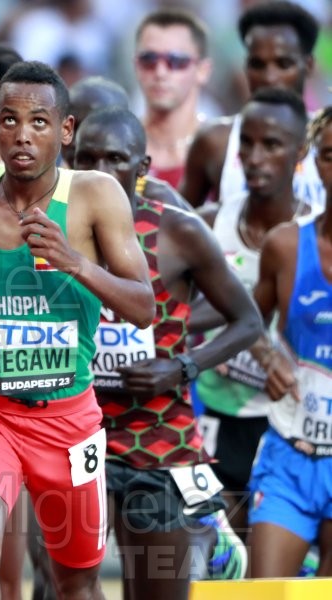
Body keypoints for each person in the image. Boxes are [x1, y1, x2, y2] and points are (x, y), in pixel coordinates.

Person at [0, 61, 155, 600]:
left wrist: (73, 261)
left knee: (74, 582)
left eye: (39, 122)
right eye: (9, 120)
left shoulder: (96, 195)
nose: (23, 135)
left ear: (66, 131)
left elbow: (144, 306)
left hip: (67, 420)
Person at [74, 107, 260, 598]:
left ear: (142, 168)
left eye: (115, 158)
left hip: (154, 438)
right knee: (61, 586)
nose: (99, 170)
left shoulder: (178, 231)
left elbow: (246, 319)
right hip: (73, 433)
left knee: (155, 590)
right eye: (86, 158)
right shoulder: (47, 232)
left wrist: (179, 365)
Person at [191, 87, 313, 535]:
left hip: (286, 421)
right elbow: (173, 312)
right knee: (221, 563)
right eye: (247, 143)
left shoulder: (314, 238)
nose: (255, 157)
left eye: (272, 145)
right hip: (215, 411)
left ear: (300, 152)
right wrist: (258, 346)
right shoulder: (206, 224)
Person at [247, 106, 332, 578]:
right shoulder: (285, 245)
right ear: (315, 163)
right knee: (264, 592)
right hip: (289, 452)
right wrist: (267, 356)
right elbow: (246, 323)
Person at [180, 1, 324, 210]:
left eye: (283, 64)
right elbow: (178, 226)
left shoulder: (326, 142)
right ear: (246, 67)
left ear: (308, 66)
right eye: (258, 65)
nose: (270, 77)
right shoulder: (215, 142)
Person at [63, 76, 192, 212]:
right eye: (69, 126)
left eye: (94, 128)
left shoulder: (160, 203)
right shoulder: (48, 192)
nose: (74, 140)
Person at [133, 8, 212, 190]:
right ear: (136, 66)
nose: (160, 72)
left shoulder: (221, 150)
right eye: (149, 60)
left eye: (176, 61)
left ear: (202, 70)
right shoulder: (116, 145)